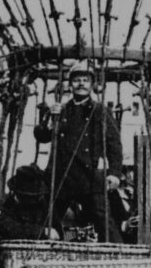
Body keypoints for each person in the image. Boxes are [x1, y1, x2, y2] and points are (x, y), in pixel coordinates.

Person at [34, 62, 123, 241]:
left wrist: (114, 174)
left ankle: (119, 256)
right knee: (45, 219)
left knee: (104, 222)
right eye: (77, 80)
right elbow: (41, 136)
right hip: (61, 177)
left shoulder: (101, 111)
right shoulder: (61, 109)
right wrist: (51, 119)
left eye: (85, 80)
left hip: (89, 177)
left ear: (92, 85)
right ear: (70, 84)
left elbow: (114, 145)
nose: (81, 84)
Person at [0, 165, 58, 242]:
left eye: (39, 195)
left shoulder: (44, 207)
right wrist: (43, 232)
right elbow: (12, 229)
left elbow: (58, 231)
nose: (38, 199)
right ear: (20, 195)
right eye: (34, 196)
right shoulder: (4, 211)